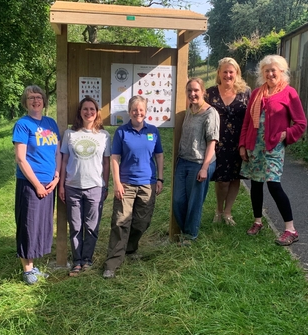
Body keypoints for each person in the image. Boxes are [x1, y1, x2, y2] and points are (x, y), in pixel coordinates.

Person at [239, 55, 307, 246]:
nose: (270, 74)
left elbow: (301, 123)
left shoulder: (289, 93)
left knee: (273, 184)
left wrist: (286, 134)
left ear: (282, 72)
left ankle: (290, 229)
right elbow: (246, 122)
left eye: (273, 70)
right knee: (256, 184)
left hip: (274, 146)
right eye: (266, 70)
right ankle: (257, 221)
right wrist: (243, 144)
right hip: (255, 146)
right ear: (262, 73)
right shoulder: (256, 94)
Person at [103, 95, 164, 278]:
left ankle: (130, 248)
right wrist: (117, 183)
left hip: (148, 183)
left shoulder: (153, 131)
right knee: (121, 222)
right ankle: (112, 263)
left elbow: (159, 155)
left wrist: (160, 179)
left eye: (141, 110)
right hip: (126, 184)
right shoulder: (122, 132)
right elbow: (115, 158)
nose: (138, 113)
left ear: (145, 112)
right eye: (134, 109)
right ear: (129, 111)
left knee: (142, 222)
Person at [12, 85, 61, 284]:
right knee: (28, 225)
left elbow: (57, 152)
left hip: (49, 182)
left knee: (42, 224)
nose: (35, 100)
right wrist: (37, 185)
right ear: (25, 102)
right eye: (31, 97)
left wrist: (57, 176)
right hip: (30, 184)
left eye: (39, 97)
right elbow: (21, 159)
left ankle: (33, 266)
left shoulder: (51, 123)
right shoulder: (23, 124)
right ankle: (27, 269)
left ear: (44, 100)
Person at [58, 97, 110, 277]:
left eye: (92, 109)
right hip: (72, 186)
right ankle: (77, 261)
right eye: (85, 109)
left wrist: (105, 184)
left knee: (91, 227)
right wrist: (62, 186)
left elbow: (106, 162)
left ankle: (87, 259)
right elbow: (64, 160)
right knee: (75, 226)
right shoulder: (70, 134)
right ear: (80, 112)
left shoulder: (104, 136)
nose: (89, 112)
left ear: (97, 113)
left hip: (95, 186)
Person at [173, 78, 220, 246]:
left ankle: (190, 235)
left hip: (200, 163)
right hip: (183, 160)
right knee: (178, 200)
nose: (192, 94)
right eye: (189, 91)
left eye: (196, 90)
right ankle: (185, 230)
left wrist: (205, 168)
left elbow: (212, 142)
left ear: (203, 91)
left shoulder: (210, 112)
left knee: (194, 201)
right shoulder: (189, 110)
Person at [206, 57, 251, 226]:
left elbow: (251, 119)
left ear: (237, 73)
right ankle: (218, 209)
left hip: (238, 143)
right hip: (216, 143)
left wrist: (246, 144)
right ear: (219, 73)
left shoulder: (246, 92)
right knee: (222, 180)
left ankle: (228, 212)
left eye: (231, 72)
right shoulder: (209, 93)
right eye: (224, 71)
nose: (228, 75)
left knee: (234, 178)